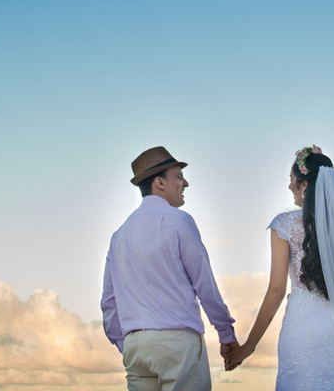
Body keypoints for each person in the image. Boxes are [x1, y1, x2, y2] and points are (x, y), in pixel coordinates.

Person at [225, 146, 334, 391]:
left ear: (304, 185)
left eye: (291, 180)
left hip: (301, 326)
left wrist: (248, 347)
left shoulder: (285, 225)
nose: (289, 186)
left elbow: (276, 290)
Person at [102, 146, 240, 391]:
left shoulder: (118, 236)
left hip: (136, 347)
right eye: (178, 176)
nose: (185, 182)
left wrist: (129, 342)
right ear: (159, 183)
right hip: (177, 343)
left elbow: (109, 302)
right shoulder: (179, 221)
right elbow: (204, 284)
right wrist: (226, 334)